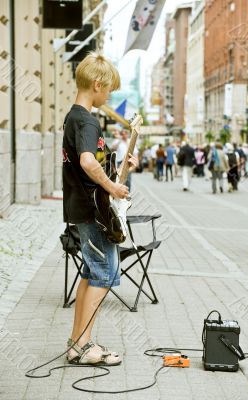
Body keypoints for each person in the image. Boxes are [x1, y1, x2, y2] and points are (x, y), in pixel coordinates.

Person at [62, 52, 138, 365]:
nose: (109, 95)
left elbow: (93, 169)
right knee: (104, 275)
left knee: (90, 273)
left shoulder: (75, 117)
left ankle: (78, 343)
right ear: (97, 84)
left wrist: (123, 174)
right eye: (108, 90)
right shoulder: (86, 120)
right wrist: (112, 186)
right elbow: (87, 161)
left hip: (87, 209)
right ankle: (83, 346)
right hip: (92, 213)